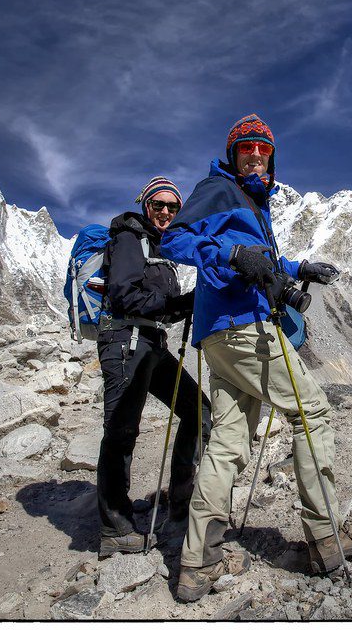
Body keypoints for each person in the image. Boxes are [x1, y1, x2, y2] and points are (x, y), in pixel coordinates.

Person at [160, 114, 352, 602]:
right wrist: (234, 256)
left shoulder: (251, 204)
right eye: (247, 150)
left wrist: (297, 267)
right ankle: (327, 539)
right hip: (244, 329)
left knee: (227, 442)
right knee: (312, 412)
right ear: (233, 156)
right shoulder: (219, 190)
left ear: (272, 158)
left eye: (263, 150)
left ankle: (198, 563)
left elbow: (257, 258)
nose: (256, 156)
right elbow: (174, 240)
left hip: (218, 336)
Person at [96, 176, 212, 558]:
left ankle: (182, 500)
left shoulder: (162, 250)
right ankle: (115, 526)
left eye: (172, 207)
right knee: (121, 430)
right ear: (145, 205)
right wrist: (177, 305)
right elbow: (124, 293)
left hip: (151, 344)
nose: (165, 212)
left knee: (198, 410)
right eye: (157, 205)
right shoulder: (131, 238)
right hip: (125, 342)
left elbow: (160, 303)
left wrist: (186, 304)